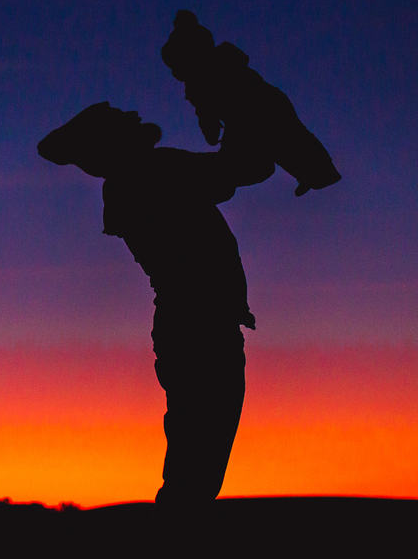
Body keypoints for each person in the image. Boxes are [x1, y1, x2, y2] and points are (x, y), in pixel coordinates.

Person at [37, 102, 255, 510]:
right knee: (196, 471)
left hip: (188, 326)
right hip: (199, 327)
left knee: (194, 464)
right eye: (120, 118)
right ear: (113, 141)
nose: (132, 114)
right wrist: (239, 109)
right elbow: (239, 172)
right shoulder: (151, 172)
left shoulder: (129, 180)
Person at [161, 9, 341, 196]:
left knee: (283, 141)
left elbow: (206, 113)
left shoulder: (201, 79)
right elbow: (207, 112)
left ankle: (316, 174)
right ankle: (316, 174)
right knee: (288, 139)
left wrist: (211, 132)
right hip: (263, 105)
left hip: (248, 114)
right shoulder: (220, 62)